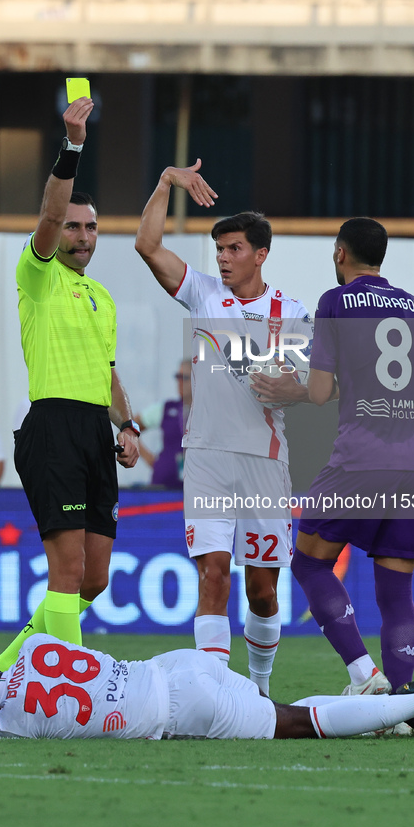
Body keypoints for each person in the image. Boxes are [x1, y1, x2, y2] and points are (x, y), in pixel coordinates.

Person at [135, 160, 313, 694]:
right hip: (207, 457)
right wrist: (166, 182)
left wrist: (293, 388)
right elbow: (147, 245)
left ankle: (257, 689)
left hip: (263, 460)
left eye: (235, 249)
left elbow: (310, 386)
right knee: (212, 572)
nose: (224, 258)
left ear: (261, 254)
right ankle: (214, 693)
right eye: (220, 250)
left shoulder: (292, 311)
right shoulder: (204, 294)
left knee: (261, 590)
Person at [0, 95, 139, 673]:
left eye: (91, 226)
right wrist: (72, 146)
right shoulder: (39, 273)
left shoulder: (101, 297)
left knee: (94, 579)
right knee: (68, 571)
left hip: (94, 433)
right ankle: (67, 690)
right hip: (52, 425)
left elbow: (107, 372)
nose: (82, 235)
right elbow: (47, 219)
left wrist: (124, 425)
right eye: (73, 226)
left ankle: (3, 669)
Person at [289, 217, 414, 737]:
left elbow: (317, 390)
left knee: (309, 564)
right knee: (396, 594)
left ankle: (365, 677)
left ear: (339, 253)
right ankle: (399, 711)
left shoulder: (335, 303)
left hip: (359, 459)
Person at [0, 634, 414, 741]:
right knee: (284, 709)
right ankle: (396, 709)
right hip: (178, 665)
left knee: (298, 725)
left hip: (179, 711)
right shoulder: (36, 648)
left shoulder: (12, 724)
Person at [135, 359, 192, 489]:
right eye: (178, 377)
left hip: (194, 488)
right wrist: (149, 458)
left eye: (185, 378)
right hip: (164, 486)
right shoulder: (167, 408)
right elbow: (131, 426)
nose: (180, 382)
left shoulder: (208, 411)